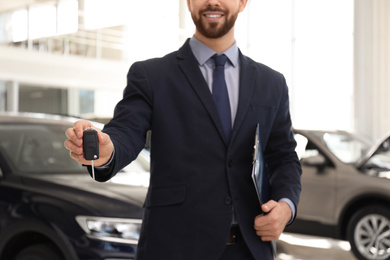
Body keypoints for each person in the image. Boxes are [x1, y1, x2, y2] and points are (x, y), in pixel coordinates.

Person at [64, 0, 301, 259]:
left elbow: (284, 156)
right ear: (188, 2)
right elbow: (126, 131)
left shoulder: (272, 83)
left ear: (242, 3)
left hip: (250, 248)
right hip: (174, 247)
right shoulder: (151, 75)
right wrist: (107, 149)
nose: (213, 1)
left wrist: (286, 207)